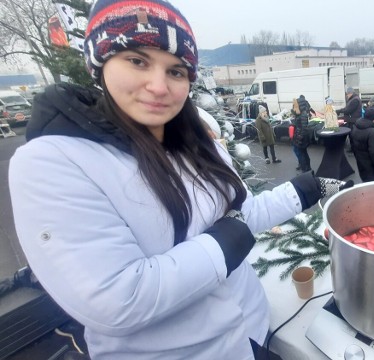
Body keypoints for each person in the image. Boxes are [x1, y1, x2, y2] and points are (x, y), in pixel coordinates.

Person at [8, 1, 353, 358]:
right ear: (99, 63)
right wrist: (222, 244)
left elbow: (241, 216)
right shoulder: (53, 162)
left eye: (175, 71)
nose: (159, 86)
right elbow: (116, 300)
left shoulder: (197, 143)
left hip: (251, 331)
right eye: (137, 61)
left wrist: (307, 188)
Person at [352, 108, 374, 182]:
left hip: (359, 160)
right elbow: (373, 152)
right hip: (369, 164)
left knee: (364, 180)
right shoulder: (371, 132)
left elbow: (352, 144)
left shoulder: (355, 126)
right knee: (371, 185)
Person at [292, 95, 313, 171]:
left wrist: (300, 136)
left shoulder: (303, 114)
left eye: (294, 105)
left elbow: (304, 128)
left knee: (301, 153)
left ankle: (305, 169)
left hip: (301, 137)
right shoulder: (300, 113)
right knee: (303, 153)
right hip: (300, 136)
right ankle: (307, 168)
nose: (293, 107)